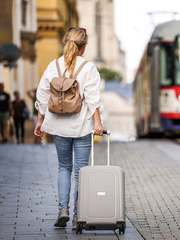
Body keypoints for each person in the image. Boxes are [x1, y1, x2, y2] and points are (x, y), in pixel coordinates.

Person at [34, 27, 103, 230]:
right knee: (80, 172)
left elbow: (42, 96)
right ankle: (77, 217)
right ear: (84, 47)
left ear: (66, 43)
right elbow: (92, 100)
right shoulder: (88, 68)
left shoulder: (53, 66)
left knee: (64, 167)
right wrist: (97, 123)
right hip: (81, 127)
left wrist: (40, 121)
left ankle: (62, 208)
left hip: (58, 126)